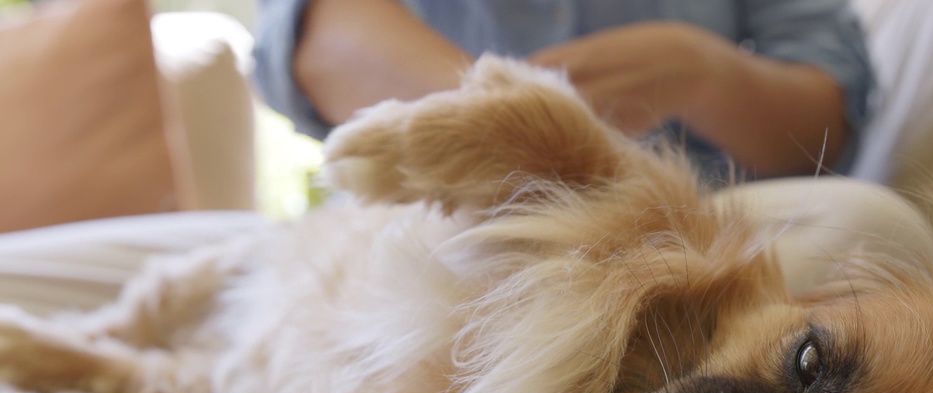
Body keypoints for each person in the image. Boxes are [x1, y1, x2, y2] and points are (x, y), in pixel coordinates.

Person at [252, 0, 876, 180]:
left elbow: (829, 113)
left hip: (687, 232)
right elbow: (304, 38)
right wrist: (506, 122)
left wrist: (699, 72)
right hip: (434, 222)